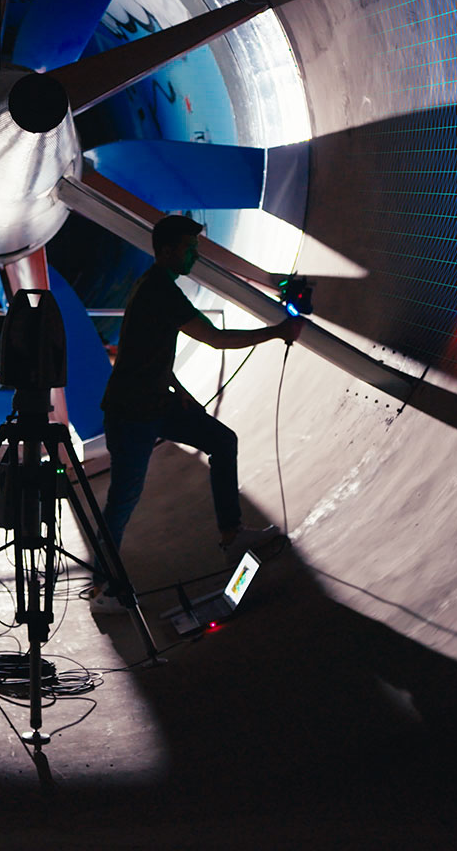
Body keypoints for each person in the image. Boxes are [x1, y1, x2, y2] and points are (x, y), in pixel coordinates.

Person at [89, 215, 302, 614]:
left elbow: (146, 349)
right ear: (168, 250)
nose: (195, 255)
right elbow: (216, 338)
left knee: (223, 441)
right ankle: (104, 589)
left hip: (156, 403)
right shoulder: (161, 291)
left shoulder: (154, 286)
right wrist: (275, 331)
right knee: (123, 499)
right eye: (190, 249)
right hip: (132, 413)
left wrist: (181, 392)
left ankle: (231, 534)